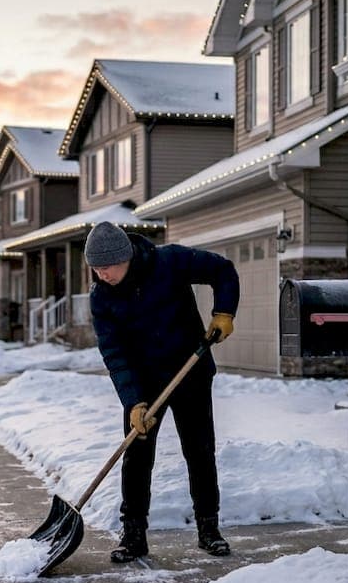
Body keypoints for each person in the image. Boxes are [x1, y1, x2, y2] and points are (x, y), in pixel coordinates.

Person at [85, 221, 240, 563]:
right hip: (144, 383)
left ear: (124, 257)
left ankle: (209, 529)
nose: (101, 276)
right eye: (95, 270)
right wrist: (133, 402)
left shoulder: (168, 262)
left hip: (191, 369)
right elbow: (114, 353)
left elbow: (222, 270)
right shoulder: (102, 298)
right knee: (137, 456)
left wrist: (224, 312)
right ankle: (134, 534)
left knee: (199, 451)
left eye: (106, 268)